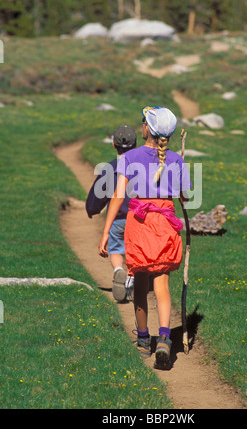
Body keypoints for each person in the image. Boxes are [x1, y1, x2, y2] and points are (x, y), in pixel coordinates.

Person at [98, 107, 191, 370]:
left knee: (140, 283)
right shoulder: (177, 160)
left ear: (147, 129)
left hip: (139, 223)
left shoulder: (130, 157)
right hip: (166, 224)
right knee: (162, 285)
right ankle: (164, 337)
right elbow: (184, 198)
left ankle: (142, 340)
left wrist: (106, 231)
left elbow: (118, 196)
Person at [86, 125, 137, 302]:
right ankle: (131, 277)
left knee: (116, 249)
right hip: (138, 219)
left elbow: (97, 194)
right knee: (134, 252)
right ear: (136, 144)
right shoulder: (142, 167)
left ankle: (118, 270)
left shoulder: (109, 168)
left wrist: (92, 209)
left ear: (114, 145)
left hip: (117, 219)